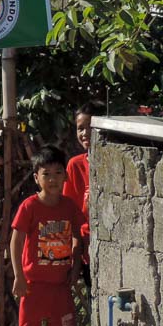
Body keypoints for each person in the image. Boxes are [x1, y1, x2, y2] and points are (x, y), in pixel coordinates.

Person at [11, 145, 86, 326]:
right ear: (36, 178)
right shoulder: (30, 207)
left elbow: (77, 237)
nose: (53, 179)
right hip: (33, 284)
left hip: (60, 285)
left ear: (66, 176)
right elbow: (16, 242)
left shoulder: (69, 207)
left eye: (58, 173)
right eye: (46, 174)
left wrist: (75, 267)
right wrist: (19, 276)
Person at [62, 107, 93, 289]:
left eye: (90, 126)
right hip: (86, 248)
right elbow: (70, 214)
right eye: (80, 128)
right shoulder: (75, 165)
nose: (85, 133)